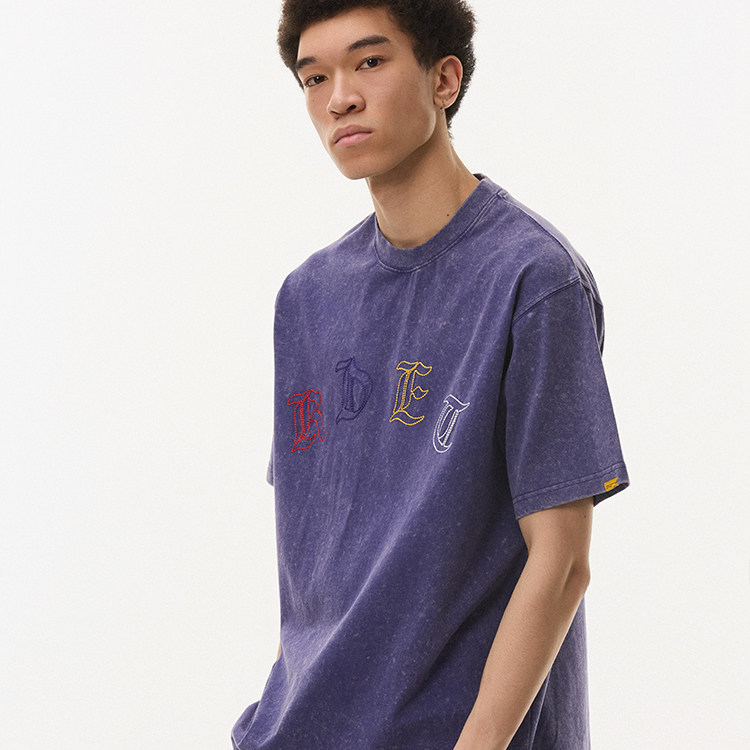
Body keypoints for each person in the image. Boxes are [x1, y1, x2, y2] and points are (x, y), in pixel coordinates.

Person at [232, 1, 629, 748]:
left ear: (444, 79)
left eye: (369, 62)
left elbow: (562, 563)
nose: (339, 98)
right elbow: (311, 562)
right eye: (314, 77)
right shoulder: (307, 298)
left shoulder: (532, 280)